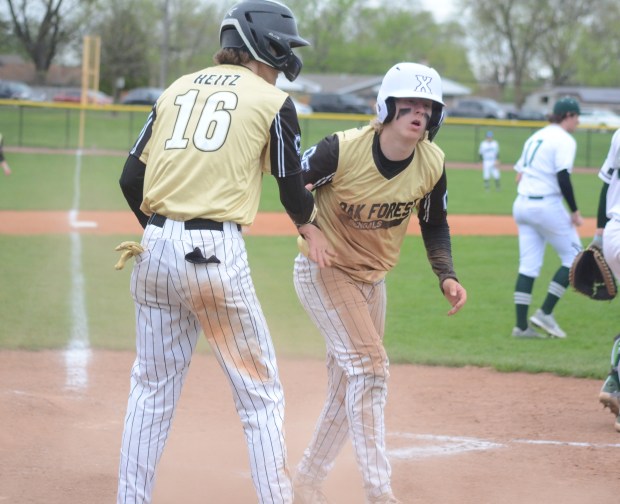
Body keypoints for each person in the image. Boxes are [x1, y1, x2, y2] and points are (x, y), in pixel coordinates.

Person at [115, 1, 333, 503]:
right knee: (259, 396)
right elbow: (291, 185)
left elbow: (131, 179)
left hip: (154, 249)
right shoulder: (271, 101)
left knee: (151, 390)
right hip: (212, 253)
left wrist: (160, 235)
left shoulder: (176, 87)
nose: (285, 62)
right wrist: (309, 227)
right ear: (263, 45)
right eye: (283, 50)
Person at [291, 62, 467, 504]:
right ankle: (379, 492)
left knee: (349, 386)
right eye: (409, 103)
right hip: (325, 271)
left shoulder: (431, 162)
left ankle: (307, 481)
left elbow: (435, 222)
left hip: (373, 281)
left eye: (427, 106)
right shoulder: (343, 149)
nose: (419, 112)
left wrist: (445, 274)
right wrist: (309, 229)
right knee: (370, 370)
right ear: (387, 107)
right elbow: (292, 181)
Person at [511, 96, 583, 339]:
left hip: (522, 204)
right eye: (577, 117)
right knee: (575, 257)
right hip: (546, 204)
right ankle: (545, 313)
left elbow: (518, 176)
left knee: (528, 266)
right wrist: (574, 210)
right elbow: (563, 177)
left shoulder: (536, 136)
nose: (578, 122)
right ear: (568, 116)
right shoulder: (564, 139)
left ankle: (521, 327)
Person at [592, 127, 620, 431]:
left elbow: (606, 183)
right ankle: (615, 382)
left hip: (614, 232)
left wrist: (600, 235)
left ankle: (615, 380)